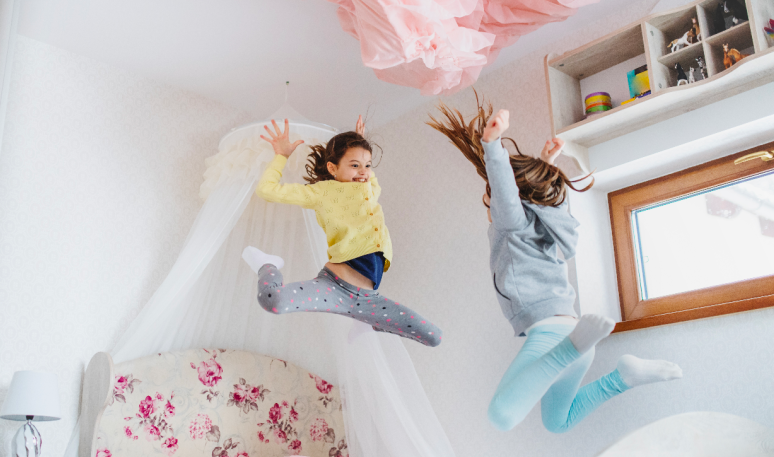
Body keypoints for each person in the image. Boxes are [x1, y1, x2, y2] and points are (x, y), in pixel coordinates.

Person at [427, 99, 682, 431]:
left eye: (490, 197)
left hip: (557, 340)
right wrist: (545, 162)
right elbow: (525, 194)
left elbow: (508, 193)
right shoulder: (543, 224)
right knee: (557, 423)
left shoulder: (512, 224)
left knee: (501, 415)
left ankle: (575, 348)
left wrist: (493, 146)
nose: (489, 205)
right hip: (568, 334)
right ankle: (622, 377)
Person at [242, 116, 442, 347]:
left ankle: (366, 323)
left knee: (433, 337)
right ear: (332, 168)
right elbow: (267, 190)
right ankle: (268, 265)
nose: (363, 172)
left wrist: (361, 145)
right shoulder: (322, 192)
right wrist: (282, 156)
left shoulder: (369, 191)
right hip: (333, 288)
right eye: (354, 165)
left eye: (367, 165)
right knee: (273, 300)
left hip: (368, 300)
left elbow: (369, 179)